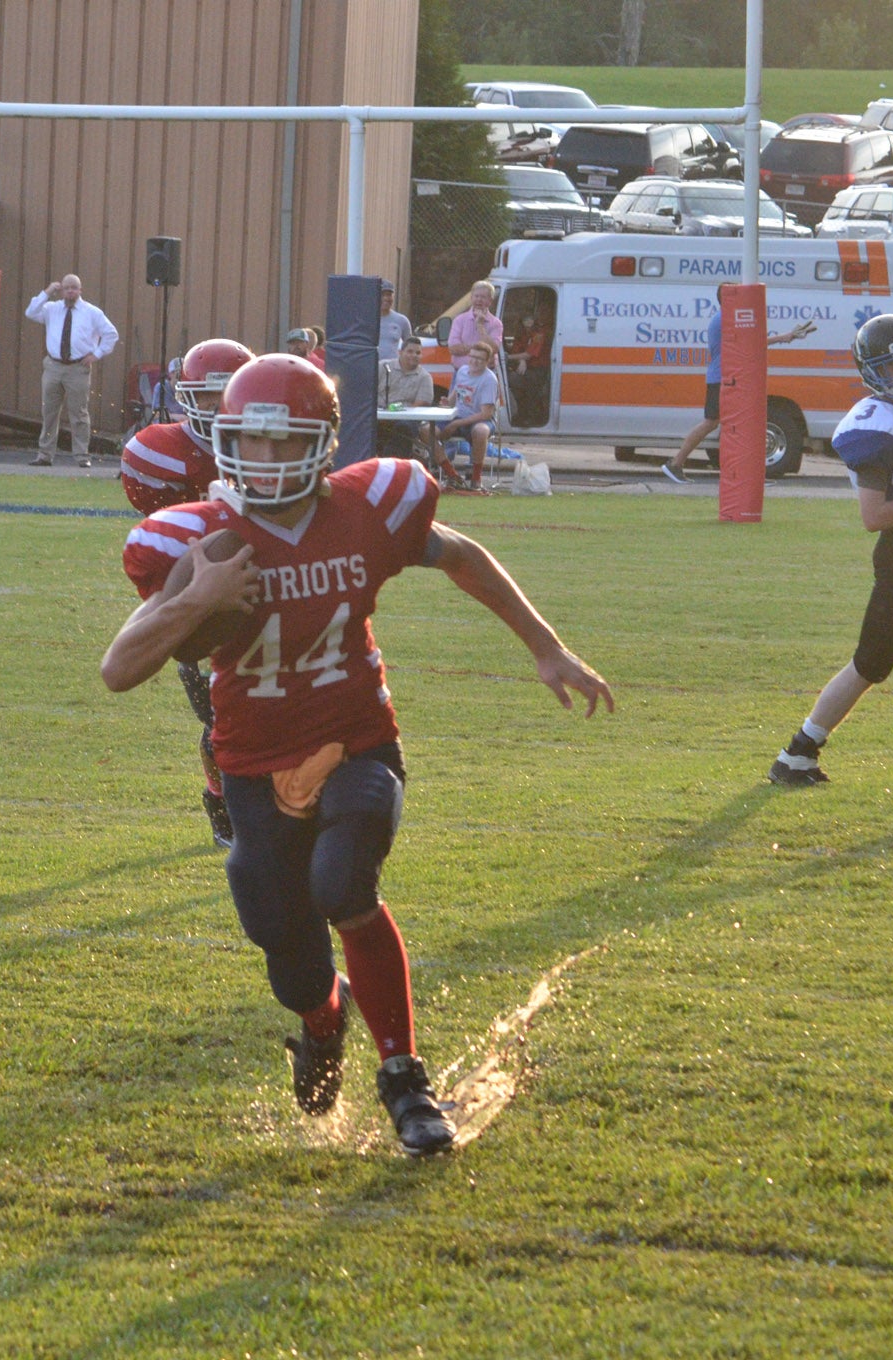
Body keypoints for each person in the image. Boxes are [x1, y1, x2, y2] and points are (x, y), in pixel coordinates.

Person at [102, 353, 613, 1155]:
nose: (265, 460)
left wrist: (546, 648)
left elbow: (461, 555)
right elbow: (118, 669)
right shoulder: (201, 537)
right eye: (250, 442)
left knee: (344, 885)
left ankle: (405, 1081)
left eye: (284, 442)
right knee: (288, 956)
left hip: (356, 737)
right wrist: (196, 598)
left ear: (325, 442)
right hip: (252, 762)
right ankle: (321, 1018)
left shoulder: (369, 508)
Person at [770, 315, 893, 786]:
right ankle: (797, 754)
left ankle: (798, 754)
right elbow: (874, 518)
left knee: (873, 661)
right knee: (872, 662)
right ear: (873, 371)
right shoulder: (876, 425)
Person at [121, 336, 255, 849]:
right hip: (195, 597)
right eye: (205, 398)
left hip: (268, 587)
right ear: (184, 397)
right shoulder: (161, 454)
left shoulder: (269, 440)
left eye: (228, 397)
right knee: (219, 717)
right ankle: (221, 803)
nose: (218, 410)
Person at [661, 288, 817, 483]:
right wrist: (784, 337)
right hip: (723, 378)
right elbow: (751, 343)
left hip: (723, 377)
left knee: (727, 423)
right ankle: (678, 464)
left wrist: (785, 337)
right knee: (721, 423)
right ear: (727, 298)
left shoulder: (724, 317)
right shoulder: (726, 318)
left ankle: (681, 464)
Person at [25, 274, 119, 467]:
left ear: (80, 290)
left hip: (78, 368)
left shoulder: (91, 312)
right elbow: (30, 312)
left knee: (79, 414)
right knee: (49, 412)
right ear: (61, 290)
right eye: (66, 288)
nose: (70, 291)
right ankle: (45, 455)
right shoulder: (52, 309)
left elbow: (111, 334)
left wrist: (97, 354)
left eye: (74, 288)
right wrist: (47, 291)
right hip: (53, 366)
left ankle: (82, 456)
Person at [430, 338, 500, 490]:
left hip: (478, 419)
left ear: (487, 361)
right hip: (458, 415)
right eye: (472, 357)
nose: (474, 362)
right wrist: (447, 402)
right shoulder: (462, 371)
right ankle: (452, 474)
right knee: (426, 431)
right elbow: (456, 394)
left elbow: (486, 414)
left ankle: (476, 478)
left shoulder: (489, 379)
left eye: (480, 359)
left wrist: (456, 424)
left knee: (480, 431)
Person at [376, 336, 437, 461]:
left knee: (404, 427)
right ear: (400, 352)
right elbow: (367, 390)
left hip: (406, 419)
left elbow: (421, 405)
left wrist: (395, 412)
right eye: (410, 351)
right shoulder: (382, 367)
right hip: (378, 416)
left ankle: (392, 467)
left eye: (418, 353)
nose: (414, 355)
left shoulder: (425, 377)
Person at [446, 281, 503, 380]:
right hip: (461, 374)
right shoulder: (459, 320)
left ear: (490, 301)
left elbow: (493, 349)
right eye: (476, 296)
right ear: (471, 298)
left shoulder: (496, 323)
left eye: (483, 297)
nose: (479, 300)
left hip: (485, 376)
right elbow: (453, 348)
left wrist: (480, 326)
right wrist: (480, 350)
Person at [378, 280, 412, 365]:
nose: (386, 298)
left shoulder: (402, 320)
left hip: (392, 371)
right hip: (370, 369)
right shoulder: (366, 320)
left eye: (389, 295)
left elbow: (410, 348)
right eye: (382, 295)